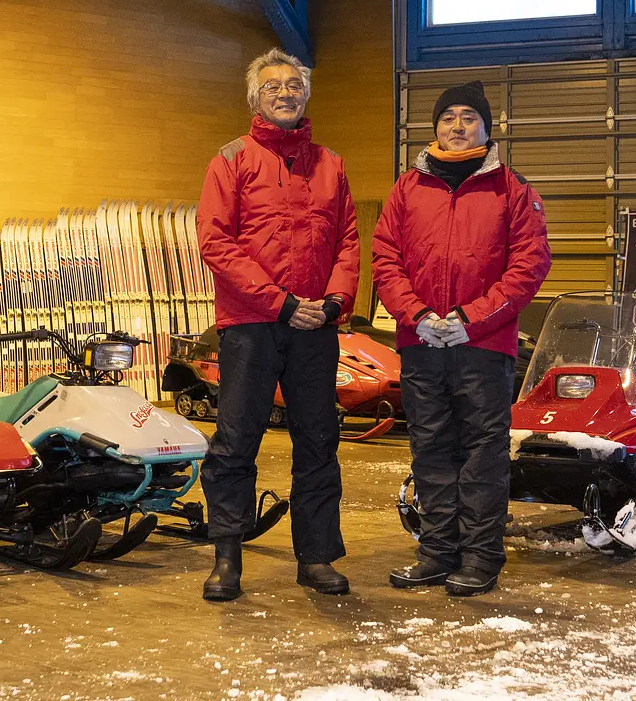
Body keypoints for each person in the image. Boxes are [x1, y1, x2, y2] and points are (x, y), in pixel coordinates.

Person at [372, 80, 551, 597]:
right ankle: (436, 552)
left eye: (468, 117)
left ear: (486, 127)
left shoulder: (512, 190)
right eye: (447, 117)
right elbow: (386, 260)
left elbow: (529, 265)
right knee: (430, 449)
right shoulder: (407, 189)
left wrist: (472, 319)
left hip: (483, 346)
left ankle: (480, 557)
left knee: (482, 453)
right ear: (434, 127)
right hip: (421, 342)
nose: (456, 126)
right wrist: (417, 314)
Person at [196, 48, 360, 602]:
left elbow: (347, 240)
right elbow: (216, 242)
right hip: (251, 322)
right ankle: (227, 555)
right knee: (236, 438)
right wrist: (280, 302)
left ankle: (316, 557)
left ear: (306, 95)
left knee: (318, 439)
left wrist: (336, 301)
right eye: (273, 87)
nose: (285, 93)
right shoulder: (231, 159)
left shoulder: (330, 164)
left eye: (294, 85)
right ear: (255, 99)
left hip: (316, 324)